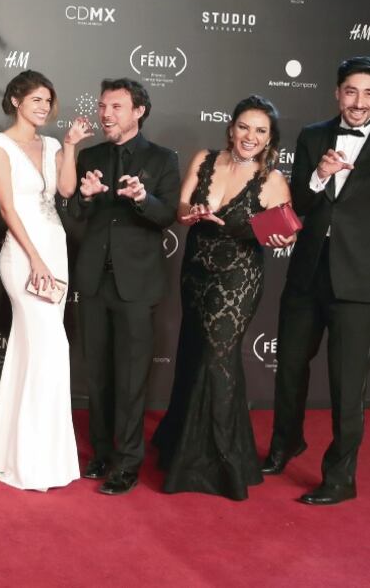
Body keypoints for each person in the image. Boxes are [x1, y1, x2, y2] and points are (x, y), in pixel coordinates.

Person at [153, 95, 293, 500]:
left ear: (269, 139)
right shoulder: (205, 160)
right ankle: (184, 442)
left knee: (219, 360)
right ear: (231, 128)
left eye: (260, 131)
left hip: (238, 279)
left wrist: (282, 234)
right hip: (196, 269)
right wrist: (190, 215)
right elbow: (180, 209)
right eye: (244, 127)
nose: (250, 136)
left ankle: (223, 461)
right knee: (194, 352)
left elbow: (284, 230)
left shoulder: (273, 181)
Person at [0, 70, 91, 490]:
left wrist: (71, 146)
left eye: (48, 101)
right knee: (49, 347)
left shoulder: (53, 143)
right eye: (36, 99)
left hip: (55, 246)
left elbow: (66, 189)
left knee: (34, 349)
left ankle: (29, 450)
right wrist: (35, 258)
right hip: (23, 256)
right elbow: (7, 208)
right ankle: (32, 458)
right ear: (16, 101)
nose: (43, 107)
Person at [263, 56, 370, 505]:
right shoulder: (312, 136)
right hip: (307, 271)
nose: (359, 102)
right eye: (351, 91)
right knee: (288, 365)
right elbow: (301, 205)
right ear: (337, 93)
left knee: (348, 386)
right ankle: (286, 442)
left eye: (367, 93)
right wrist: (319, 174)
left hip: (359, 280)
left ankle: (341, 477)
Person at [68, 78, 180, 496]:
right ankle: (101, 452)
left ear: (139, 112)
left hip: (138, 284)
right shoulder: (90, 156)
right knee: (97, 374)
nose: (106, 114)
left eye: (116, 106)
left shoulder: (163, 159)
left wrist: (140, 198)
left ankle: (128, 461)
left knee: (132, 378)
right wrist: (83, 196)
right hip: (95, 280)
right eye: (102, 106)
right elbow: (76, 217)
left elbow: (167, 215)